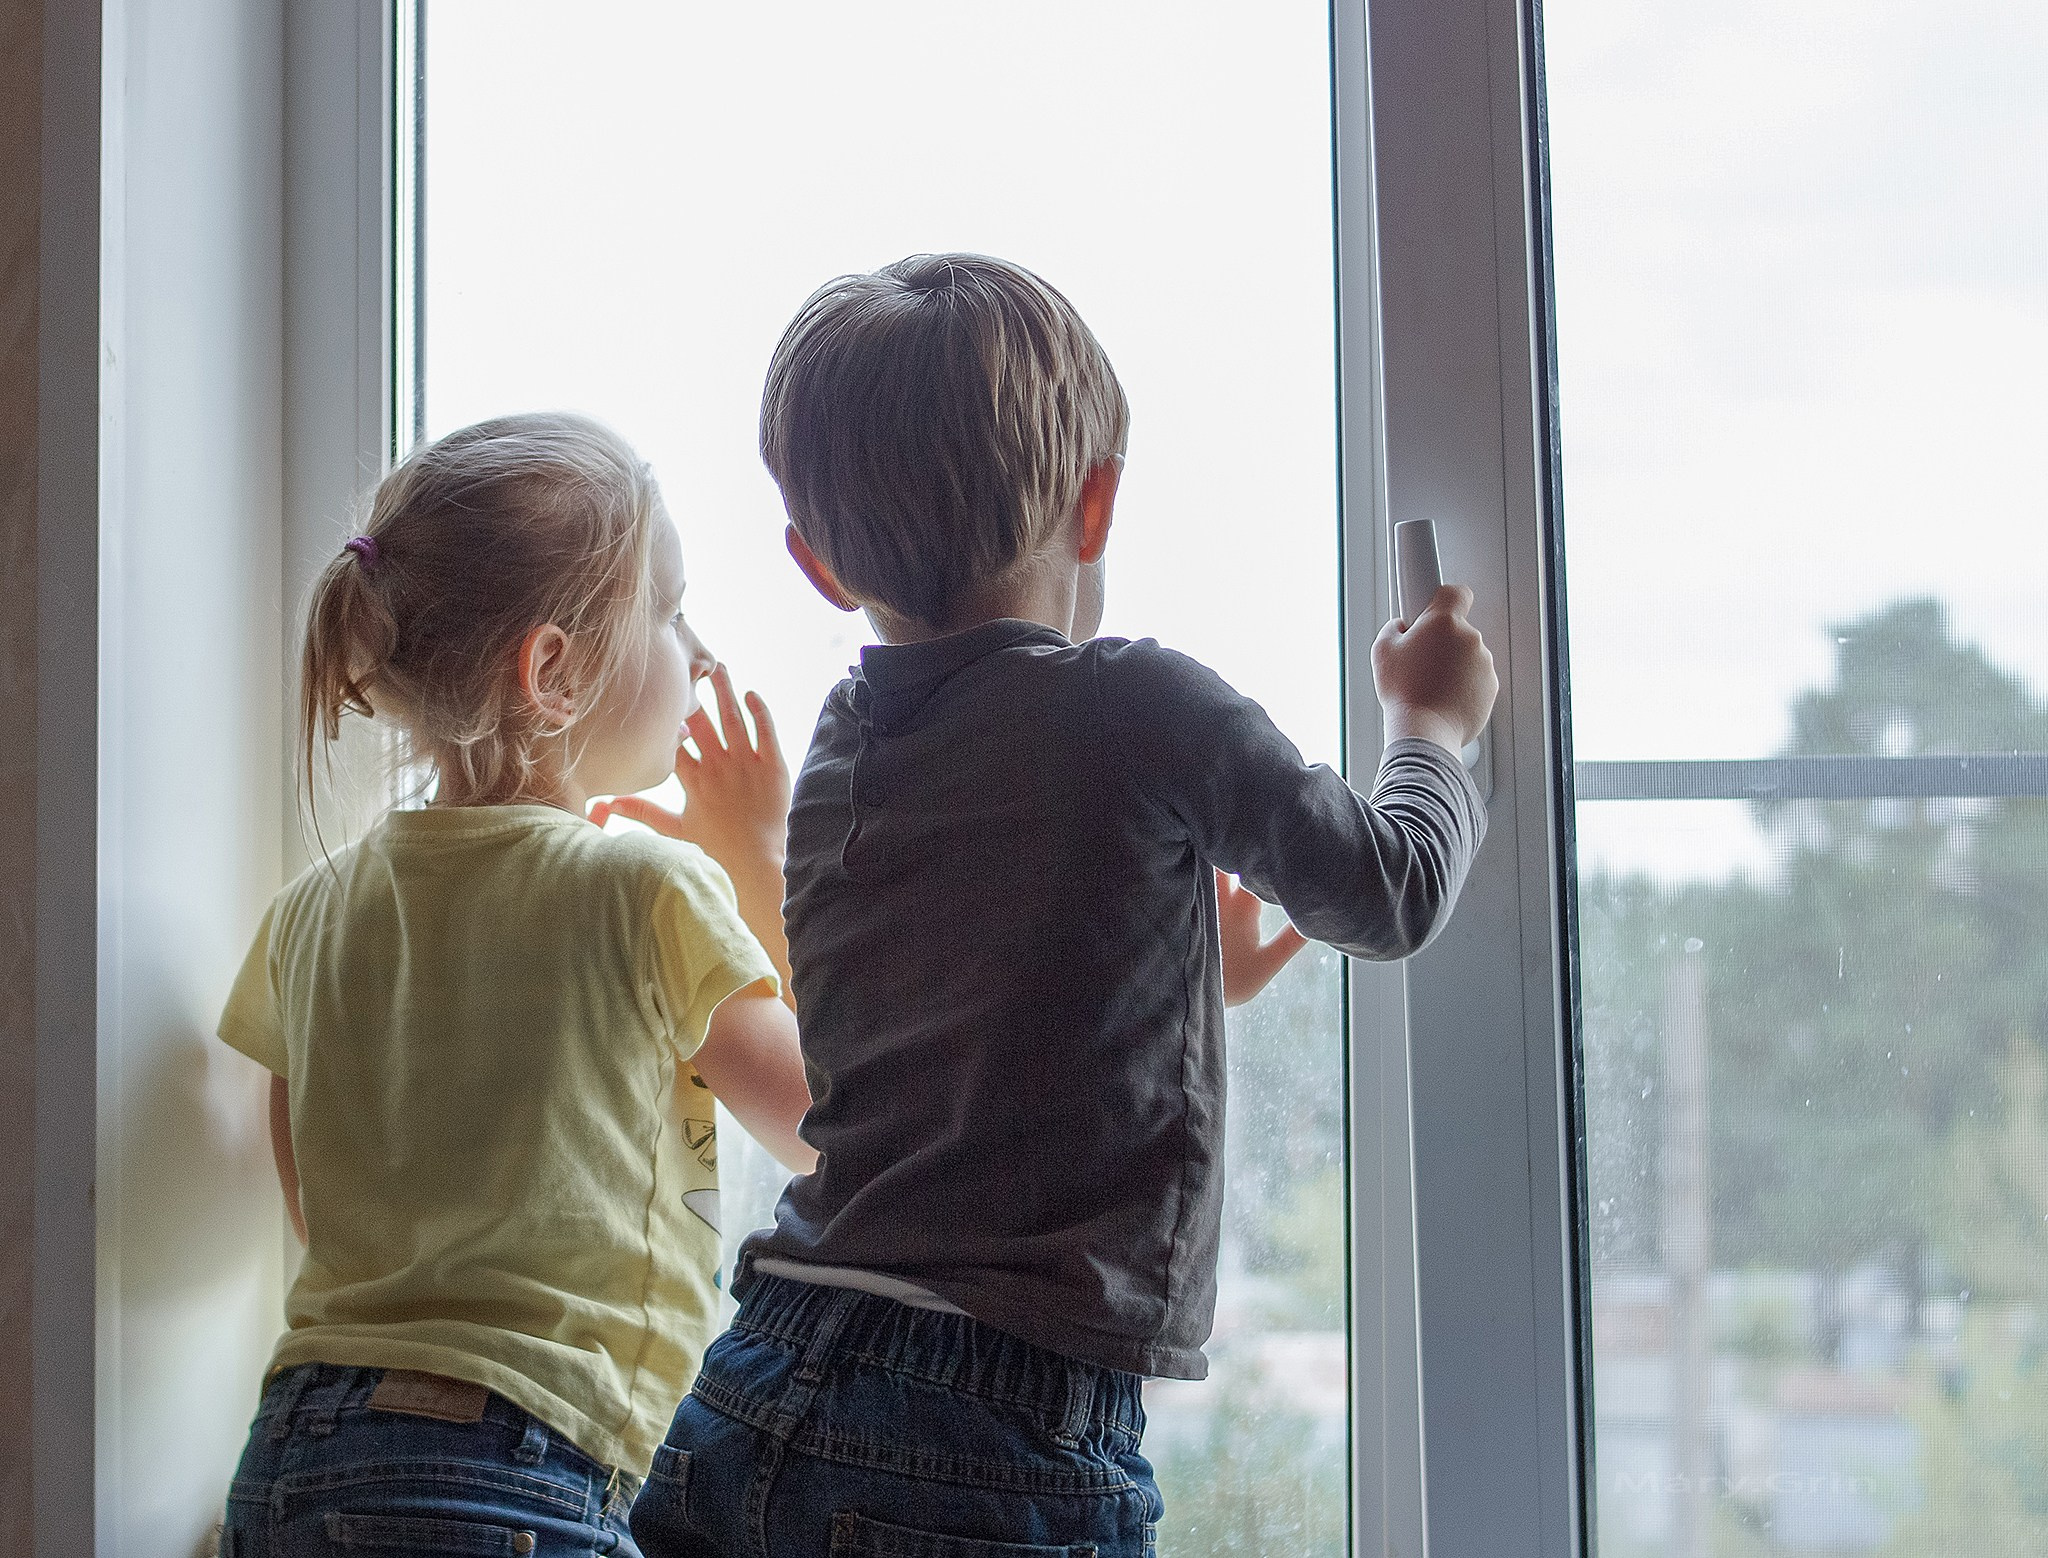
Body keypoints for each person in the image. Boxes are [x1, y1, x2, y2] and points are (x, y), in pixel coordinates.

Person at [628, 254, 1499, 1557]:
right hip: (985, 1439)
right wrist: (1431, 724)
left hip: (749, 1392)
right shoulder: (1135, 703)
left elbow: (940, 1046)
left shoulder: (846, 748)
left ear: (816, 564)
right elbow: (1389, 887)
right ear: (1097, 503)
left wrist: (1181, 969)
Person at [216, 412, 814, 1556]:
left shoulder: (311, 910)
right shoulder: (649, 887)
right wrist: (760, 863)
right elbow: (822, 1128)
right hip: (517, 1464)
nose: (698, 654)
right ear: (552, 671)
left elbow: (315, 1205)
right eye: (669, 611)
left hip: (292, 1452)